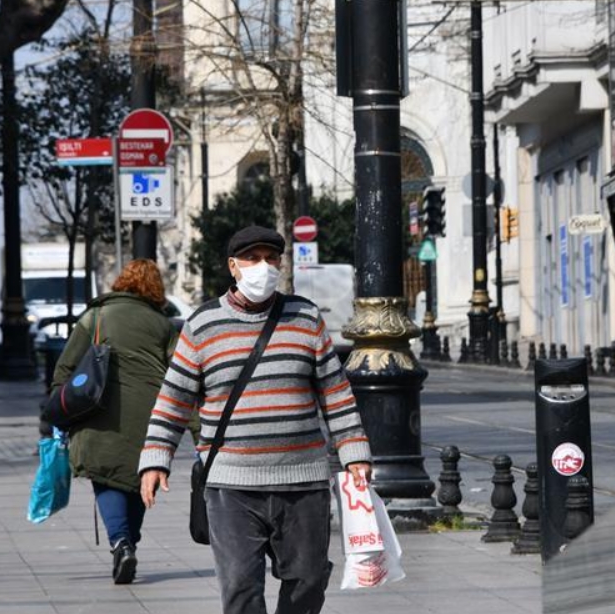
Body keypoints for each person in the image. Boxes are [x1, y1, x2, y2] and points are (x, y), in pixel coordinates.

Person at [139, 225, 373, 614]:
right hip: (231, 485)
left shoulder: (305, 317)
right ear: (233, 266)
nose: (262, 266)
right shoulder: (202, 325)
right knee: (241, 590)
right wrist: (155, 457)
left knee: (308, 581)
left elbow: (335, 391)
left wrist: (355, 451)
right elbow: (173, 398)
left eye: (270, 258)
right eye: (252, 258)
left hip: (303, 479)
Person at [51, 259, 178, 585]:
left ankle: (121, 543)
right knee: (138, 479)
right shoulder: (163, 325)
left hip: (97, 412)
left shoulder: (96, 316)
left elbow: (65, 368)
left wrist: (59, 409)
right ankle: (128, 543)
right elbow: (181, 377)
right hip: (150, 415)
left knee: (105, 477)